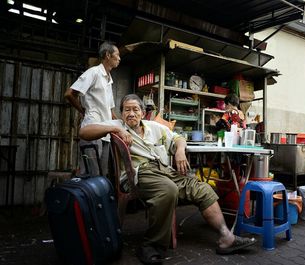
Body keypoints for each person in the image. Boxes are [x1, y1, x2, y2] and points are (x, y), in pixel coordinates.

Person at [79, 94, 256, 264]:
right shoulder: (118, 124)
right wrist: (115, 128)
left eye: (135, 109)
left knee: (203, 189)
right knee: (168, 190)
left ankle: (226, 237)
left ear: (142, 112)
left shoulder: (153, 127)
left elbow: (178, 138)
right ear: (122, 113)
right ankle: (151, 245)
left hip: (165, 172)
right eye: (126, 110)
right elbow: (84, 131)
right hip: (139, 174)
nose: (131, 113)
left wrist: (179, 151)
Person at [64, 41, 120, 176]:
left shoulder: (109, 80)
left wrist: (122, 127)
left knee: (102, 175)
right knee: (91, 174)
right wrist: (83, 111)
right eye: (117, 55)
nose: (119, 58)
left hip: (105, 134)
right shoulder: (94, 72)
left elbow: (110, 111)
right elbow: (69, 94)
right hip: (92, 130)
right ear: (107, 55)